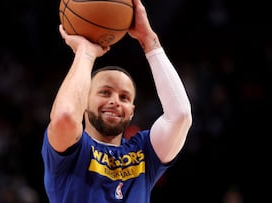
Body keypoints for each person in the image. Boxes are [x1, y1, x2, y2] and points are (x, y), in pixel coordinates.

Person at [41, 0, 192, 202]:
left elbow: (180, 115)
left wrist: (149, 40)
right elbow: (65, 116)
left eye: (124, 97)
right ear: (83, 103)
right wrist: (86, 53)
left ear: (132, 111)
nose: (115, 101)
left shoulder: (144, 152)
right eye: (105, 92)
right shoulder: (71, 152)